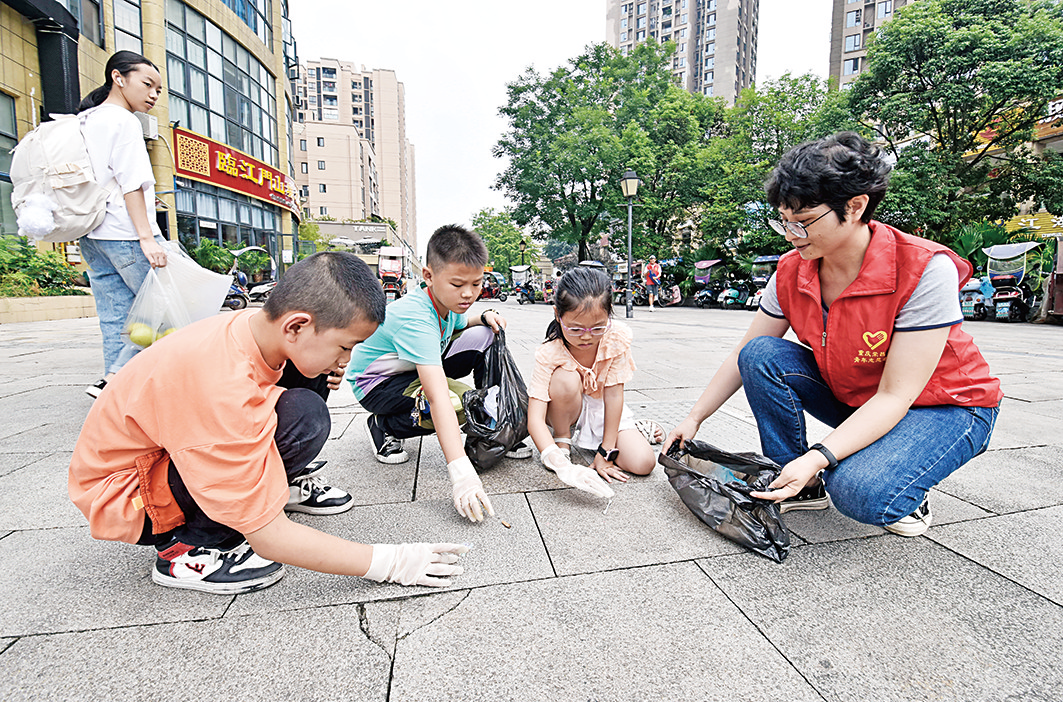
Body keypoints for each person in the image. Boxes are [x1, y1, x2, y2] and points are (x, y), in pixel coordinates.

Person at [665, 132, 1002, 537]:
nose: (791, 235)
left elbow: (898, 394)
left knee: (860, 493)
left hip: (945, 406)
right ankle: (799, 484)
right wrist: (694, 418)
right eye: (783, 221)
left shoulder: (923, 269)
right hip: (860, 397)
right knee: (760, 354)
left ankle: (907, 480)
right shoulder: (792, 270)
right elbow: (745, 353)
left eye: (804, 223)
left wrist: (821, 455)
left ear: (856, 206)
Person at [69, 252, 468, 594]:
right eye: (345, 347)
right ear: (296, 325)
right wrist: (391, 562)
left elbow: (299, 369)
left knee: (308, 377)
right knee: (302, 415)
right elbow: (270, 537)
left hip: (167, 457)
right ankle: (190, 550)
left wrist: (324, 360)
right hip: (130, 498)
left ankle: (275, 486)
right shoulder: (220, 384)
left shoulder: (256, 328)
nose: (347, 360)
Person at [348, 224, 530, 524]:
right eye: (458, 284)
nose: (469, 294)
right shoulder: (415, 318)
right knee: (456, 406)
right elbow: (437, 396)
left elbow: (459, 326)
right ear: (428, 276)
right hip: (379, 386)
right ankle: (385, 426)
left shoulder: (449, 303)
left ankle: (495, 426)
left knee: (487, 333)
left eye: (476, 283)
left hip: (414, 367)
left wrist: (483, 317)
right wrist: (461, 473)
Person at [76, 51, 169, 399]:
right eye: (147, 84)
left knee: (115, 314)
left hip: (92, 233)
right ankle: (116, 378)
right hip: (126, 231)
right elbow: (132, 182)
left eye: (158, 89)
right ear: (118, 78)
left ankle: (113, 388)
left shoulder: (85, 119)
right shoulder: (124, 121)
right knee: (168, 307)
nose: (154, 95)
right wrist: (147, 237)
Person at [526, 268, 658, 497]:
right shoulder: (549, 352)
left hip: (602, 406)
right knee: (566, 378)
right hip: (564, 405)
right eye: (575, 329)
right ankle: (562, 440)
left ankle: (639, 429)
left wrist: (606, 452)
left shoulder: (615, 339)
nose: (586, 337)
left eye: (597, 327)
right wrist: (554, 458)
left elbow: (614, 395)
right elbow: (534, 418)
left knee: (643, 463)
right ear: (557, 314)